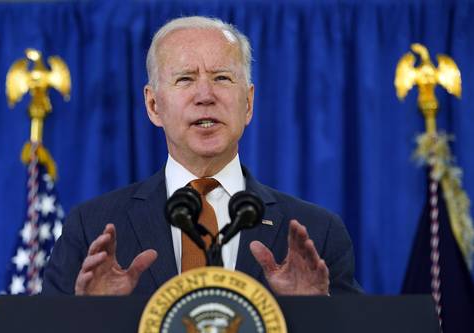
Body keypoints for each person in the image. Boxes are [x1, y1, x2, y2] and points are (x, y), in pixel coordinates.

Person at [42, 16, 362, 297]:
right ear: (154, 105)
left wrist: (316, 314)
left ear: (248, 103)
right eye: (185, 79)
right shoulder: (91, 228)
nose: (205, 96)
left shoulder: (318, 232)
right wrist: (90, 317)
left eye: (222, 78)